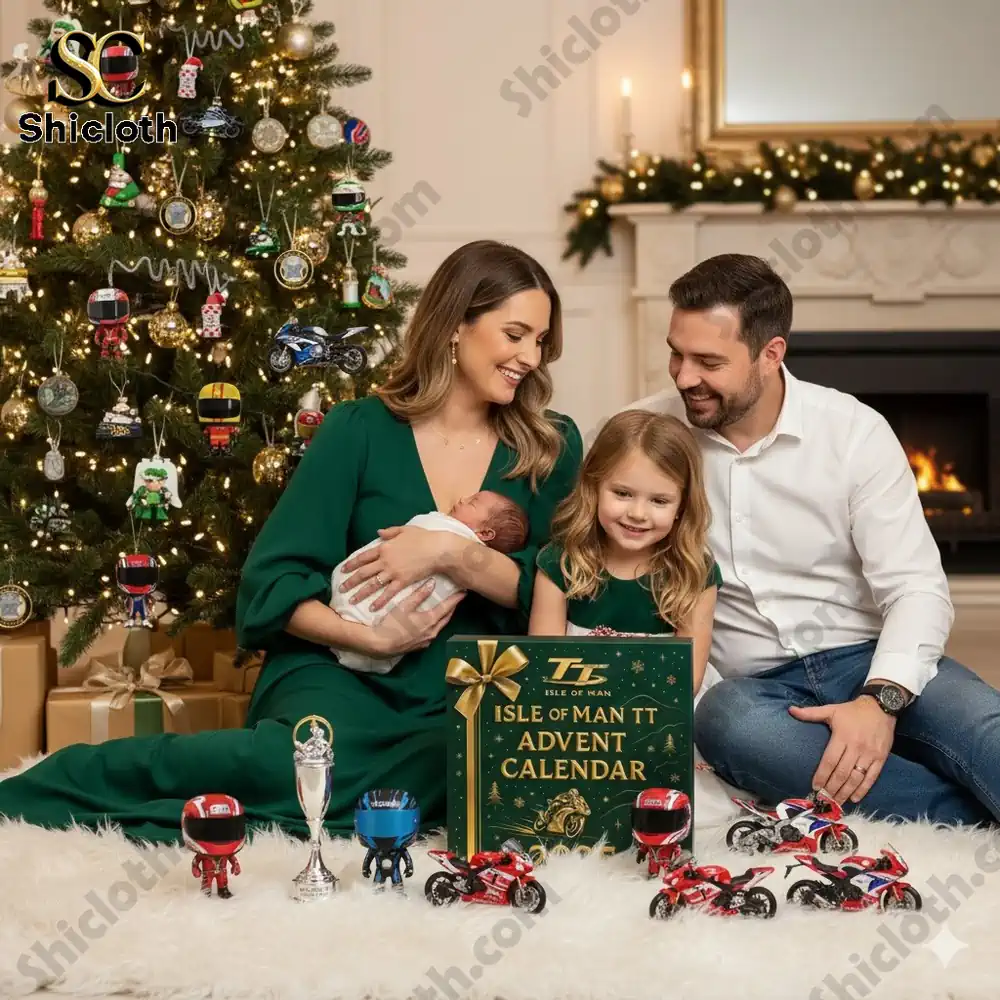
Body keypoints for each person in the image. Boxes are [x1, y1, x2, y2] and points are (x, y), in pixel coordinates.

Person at [0, 240, 583, 843]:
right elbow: (272, 585)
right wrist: (370, 636)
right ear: (456, 324)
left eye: (541, 342)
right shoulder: (357, 430)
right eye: (515, 334)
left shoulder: (552, 448)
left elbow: (575, 595)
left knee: (471, 768)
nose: (530, 357)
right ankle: (62, 781)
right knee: (299, 766)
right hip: (339, 670)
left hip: (470, 684)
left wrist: (453, 555)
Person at [623, 252, 999, 826]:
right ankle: (967, 817)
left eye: (708, 361)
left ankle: (899, 768)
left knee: (983, 727)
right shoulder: (648, 435)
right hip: (756, 692)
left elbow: (917, 588)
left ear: (771, 355)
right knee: (728, 726)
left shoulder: (853, 431)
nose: (683, 376)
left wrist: (880, 701)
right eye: (676, 353)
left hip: (868, 658)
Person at [528, 408, 720, 698]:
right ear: (593, 487)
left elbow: (686, 682)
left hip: (663, 714)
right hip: (575, 710)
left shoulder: (694, 571)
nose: (638, 514)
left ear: (682, 506)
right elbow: (543, 668)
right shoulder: (560, 563)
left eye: (659, 500)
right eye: (622, 494)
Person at [328, 490, 528, 673]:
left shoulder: (461, 540)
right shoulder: (442, 527)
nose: (461, 499)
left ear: (485, 534)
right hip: (353, 635)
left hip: (373, 628)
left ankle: (356, 616)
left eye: (472, 502)